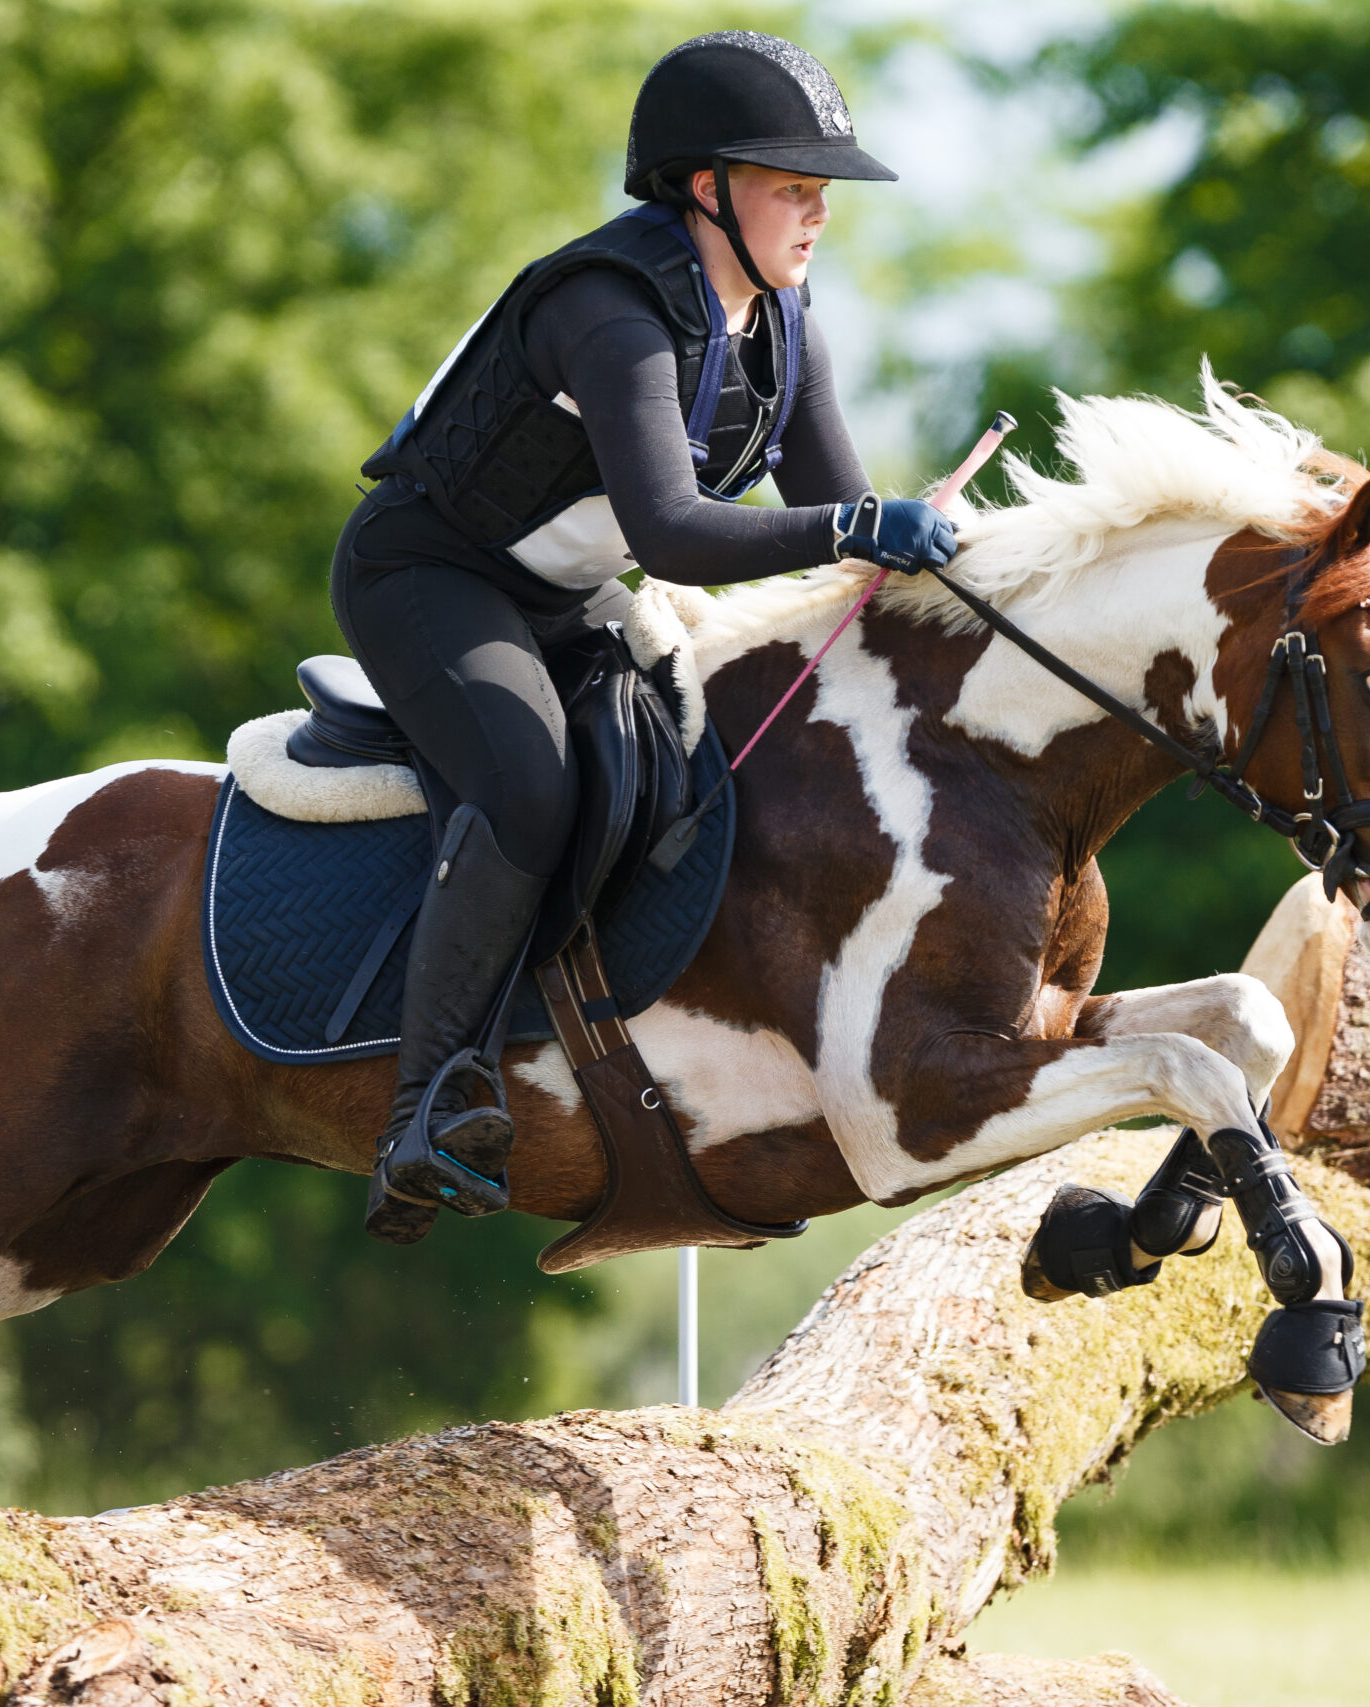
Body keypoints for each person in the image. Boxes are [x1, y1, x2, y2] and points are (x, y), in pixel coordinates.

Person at [335, 30, 962, 1245]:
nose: (817, 212)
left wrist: (939, 548)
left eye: (821, 190)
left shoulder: (783, 322)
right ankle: (421, 1108)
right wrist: (858, 522)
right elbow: (674, 533)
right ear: (702, 188)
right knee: (529, 787)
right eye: (793, 185)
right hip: (427, 574)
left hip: (562, 601)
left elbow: (840, 528)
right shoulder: (611, 311)